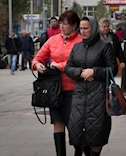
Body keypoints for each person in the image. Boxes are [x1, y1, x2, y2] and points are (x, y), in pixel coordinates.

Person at [32, 11, 84, 156]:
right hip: (55, 90)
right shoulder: (52, 40)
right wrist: (37, 65)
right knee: (58, 123)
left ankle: (78, 151)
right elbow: (38, 57)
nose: (61, 26)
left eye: (65, 24)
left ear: (74, 25)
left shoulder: (80, 42)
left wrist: (59, 65)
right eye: (60, 23)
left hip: (75, 89)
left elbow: (80, 64)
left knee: (73, 125)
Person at [66, 17, 118, 156]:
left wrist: (94, 71)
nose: (82, 31)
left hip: (98, 94)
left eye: (86, 28)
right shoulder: (77, 47)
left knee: (97, 130)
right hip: (79, 95)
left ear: (93, 28)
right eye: (81, 29)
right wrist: (80, 73)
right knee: (77, 128)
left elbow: (113, 69)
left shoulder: (105, 46)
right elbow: (68, 67)